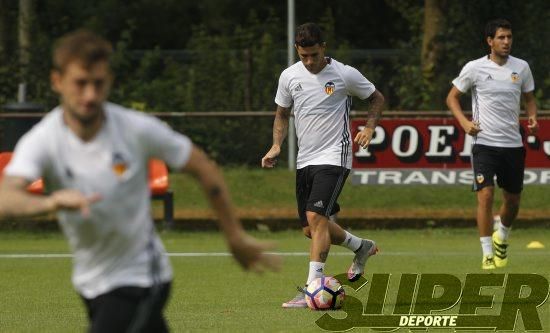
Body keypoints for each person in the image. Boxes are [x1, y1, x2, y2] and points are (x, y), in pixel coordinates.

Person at [0, 30, 280, 332]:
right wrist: (52, 202)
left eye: (99, 83)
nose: (91, 95)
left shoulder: (135, 129)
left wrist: (234, 236)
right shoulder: (44, 139)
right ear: (57, 81)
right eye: (81, 83)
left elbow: (203, 167)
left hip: (142, 279)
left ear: (110, 81)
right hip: (91, 284)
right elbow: (5, 197)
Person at [261, 23, 384, 308]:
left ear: (324, 48)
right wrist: (277, 145)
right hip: (306, 160)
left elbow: (377, 98)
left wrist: (369, 127)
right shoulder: (289, 76)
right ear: (297, 51)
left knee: (317, 219)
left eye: (314, 55)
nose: (309, 61)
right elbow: (281, 114)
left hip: (335, 156)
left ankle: (311, 289)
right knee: (313, 228)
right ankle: (360, 246)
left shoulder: (344, 74)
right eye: (304, 56)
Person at [446, 19, 538, 270]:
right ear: (490, 41)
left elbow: (529, 98)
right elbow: (452, 98)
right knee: (485, 195)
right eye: (501, 38)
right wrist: (465, 123)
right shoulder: (474, 68)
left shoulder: (522, 67)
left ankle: (502, 236)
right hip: (484, 143)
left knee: (513, 200)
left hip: (513, 145)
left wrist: (532, 116)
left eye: (509, 37)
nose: (506, 42)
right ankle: (487, 252)